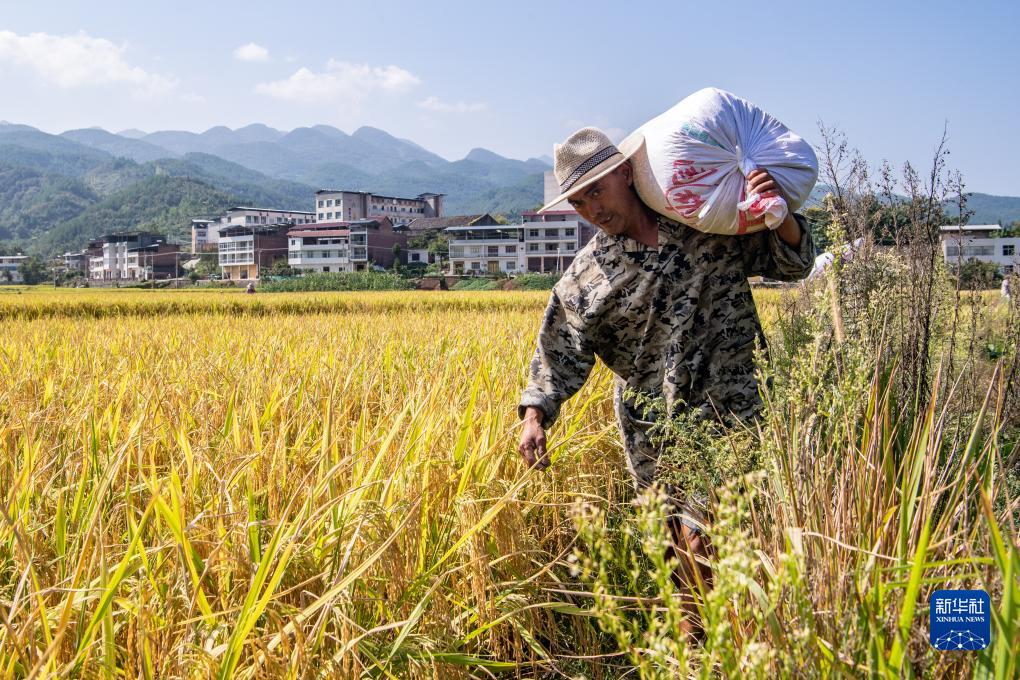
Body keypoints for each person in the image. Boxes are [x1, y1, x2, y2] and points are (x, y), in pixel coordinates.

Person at [517, 127, 814, 638]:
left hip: (732, 408)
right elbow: (558, 353)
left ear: (625, 174)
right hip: (652, 427)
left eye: (597, 190)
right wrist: (534, 417)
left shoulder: (703, 222)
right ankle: (700, 647)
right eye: (579, 201)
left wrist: (778, 214)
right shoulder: (585, 278)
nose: (592, 209)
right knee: (675, 549)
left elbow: (793, 262)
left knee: (705, 540)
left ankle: (709, 648)